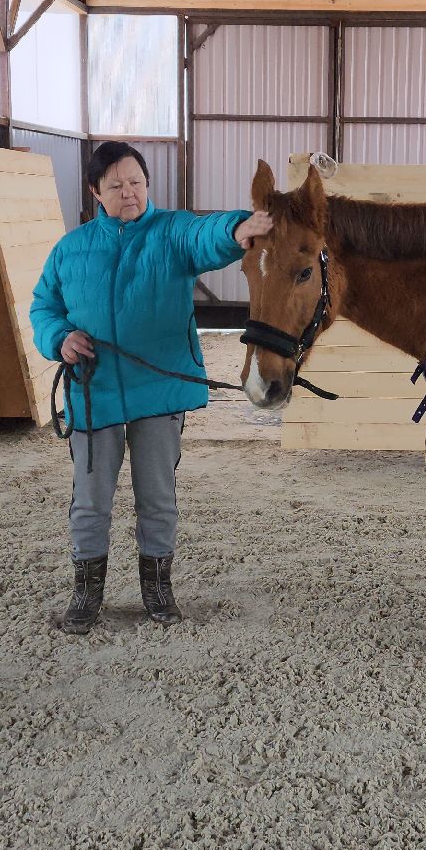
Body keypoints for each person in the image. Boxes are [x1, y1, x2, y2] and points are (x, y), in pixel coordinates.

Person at [30, 141, 273, 633]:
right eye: (116, 185)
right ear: (96, 191)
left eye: (136, 182)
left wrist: (237, 227)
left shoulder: (171, 233)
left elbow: (205, 234)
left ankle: (158, 589)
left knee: (158, 496)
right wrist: (59, 338)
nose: (129, 193)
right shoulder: (70, 249)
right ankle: (86, 594)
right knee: (91, 498)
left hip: (158, 390)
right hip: (93, 392)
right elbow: (43, 307)